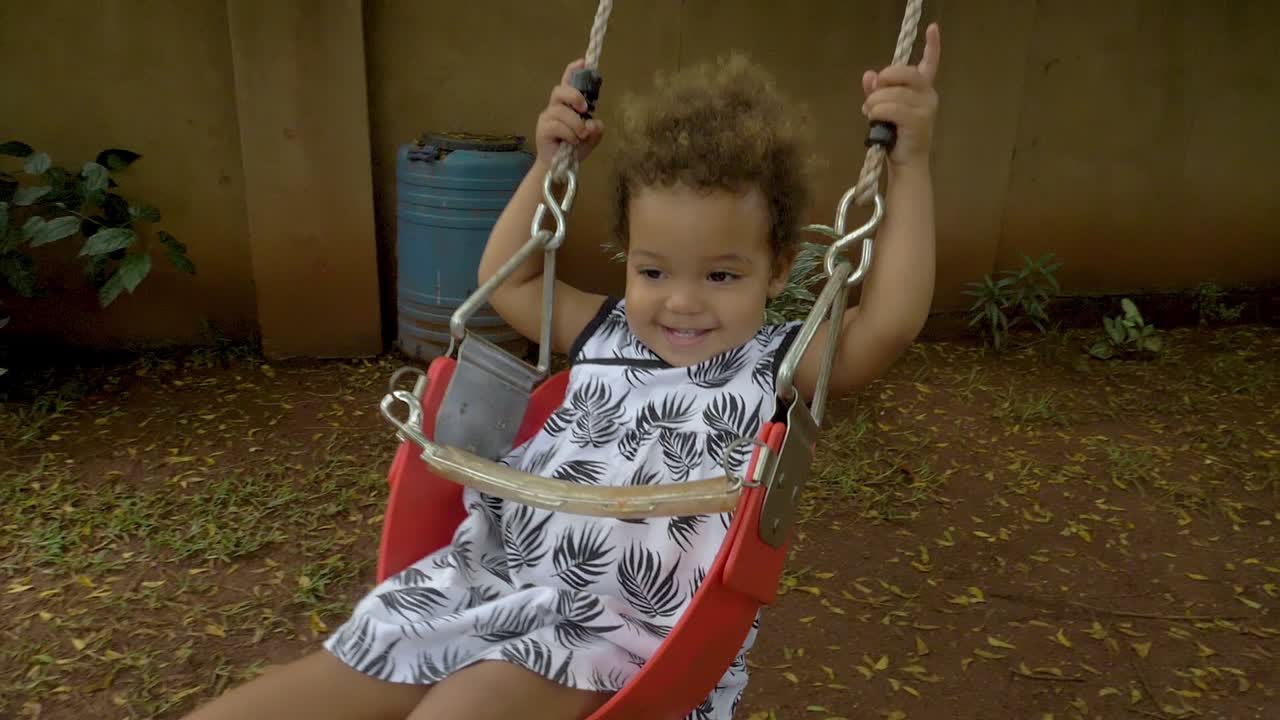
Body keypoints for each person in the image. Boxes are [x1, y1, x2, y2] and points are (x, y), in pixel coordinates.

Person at [182, 23, 940, 720]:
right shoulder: (604, 329)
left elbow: (887, 325)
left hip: (611, 629)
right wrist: (549, 165)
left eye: (721, 277)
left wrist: (908, 164)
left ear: (776, 270)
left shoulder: (773, 364)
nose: (681, 303)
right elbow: (507, 281)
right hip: (487, 579)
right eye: (652, 270)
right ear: (626, 258)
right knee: (297, 696)